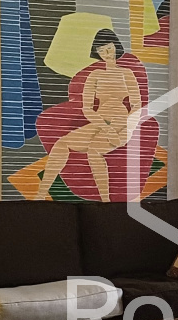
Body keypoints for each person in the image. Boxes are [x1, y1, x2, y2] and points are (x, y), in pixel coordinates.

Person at [34, 29, 143, 201]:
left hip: (121, 123)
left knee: (94, 150)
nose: (106, 53)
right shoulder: (95, 75)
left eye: (109, 48)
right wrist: (106, 128)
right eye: (101, 50)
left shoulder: (126, 74)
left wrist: (127, 130)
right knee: (62, 143)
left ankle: (105, 201)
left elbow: (137, 105)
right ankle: (40, 195)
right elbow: (87, 109)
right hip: (100, 122)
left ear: (116, 46)